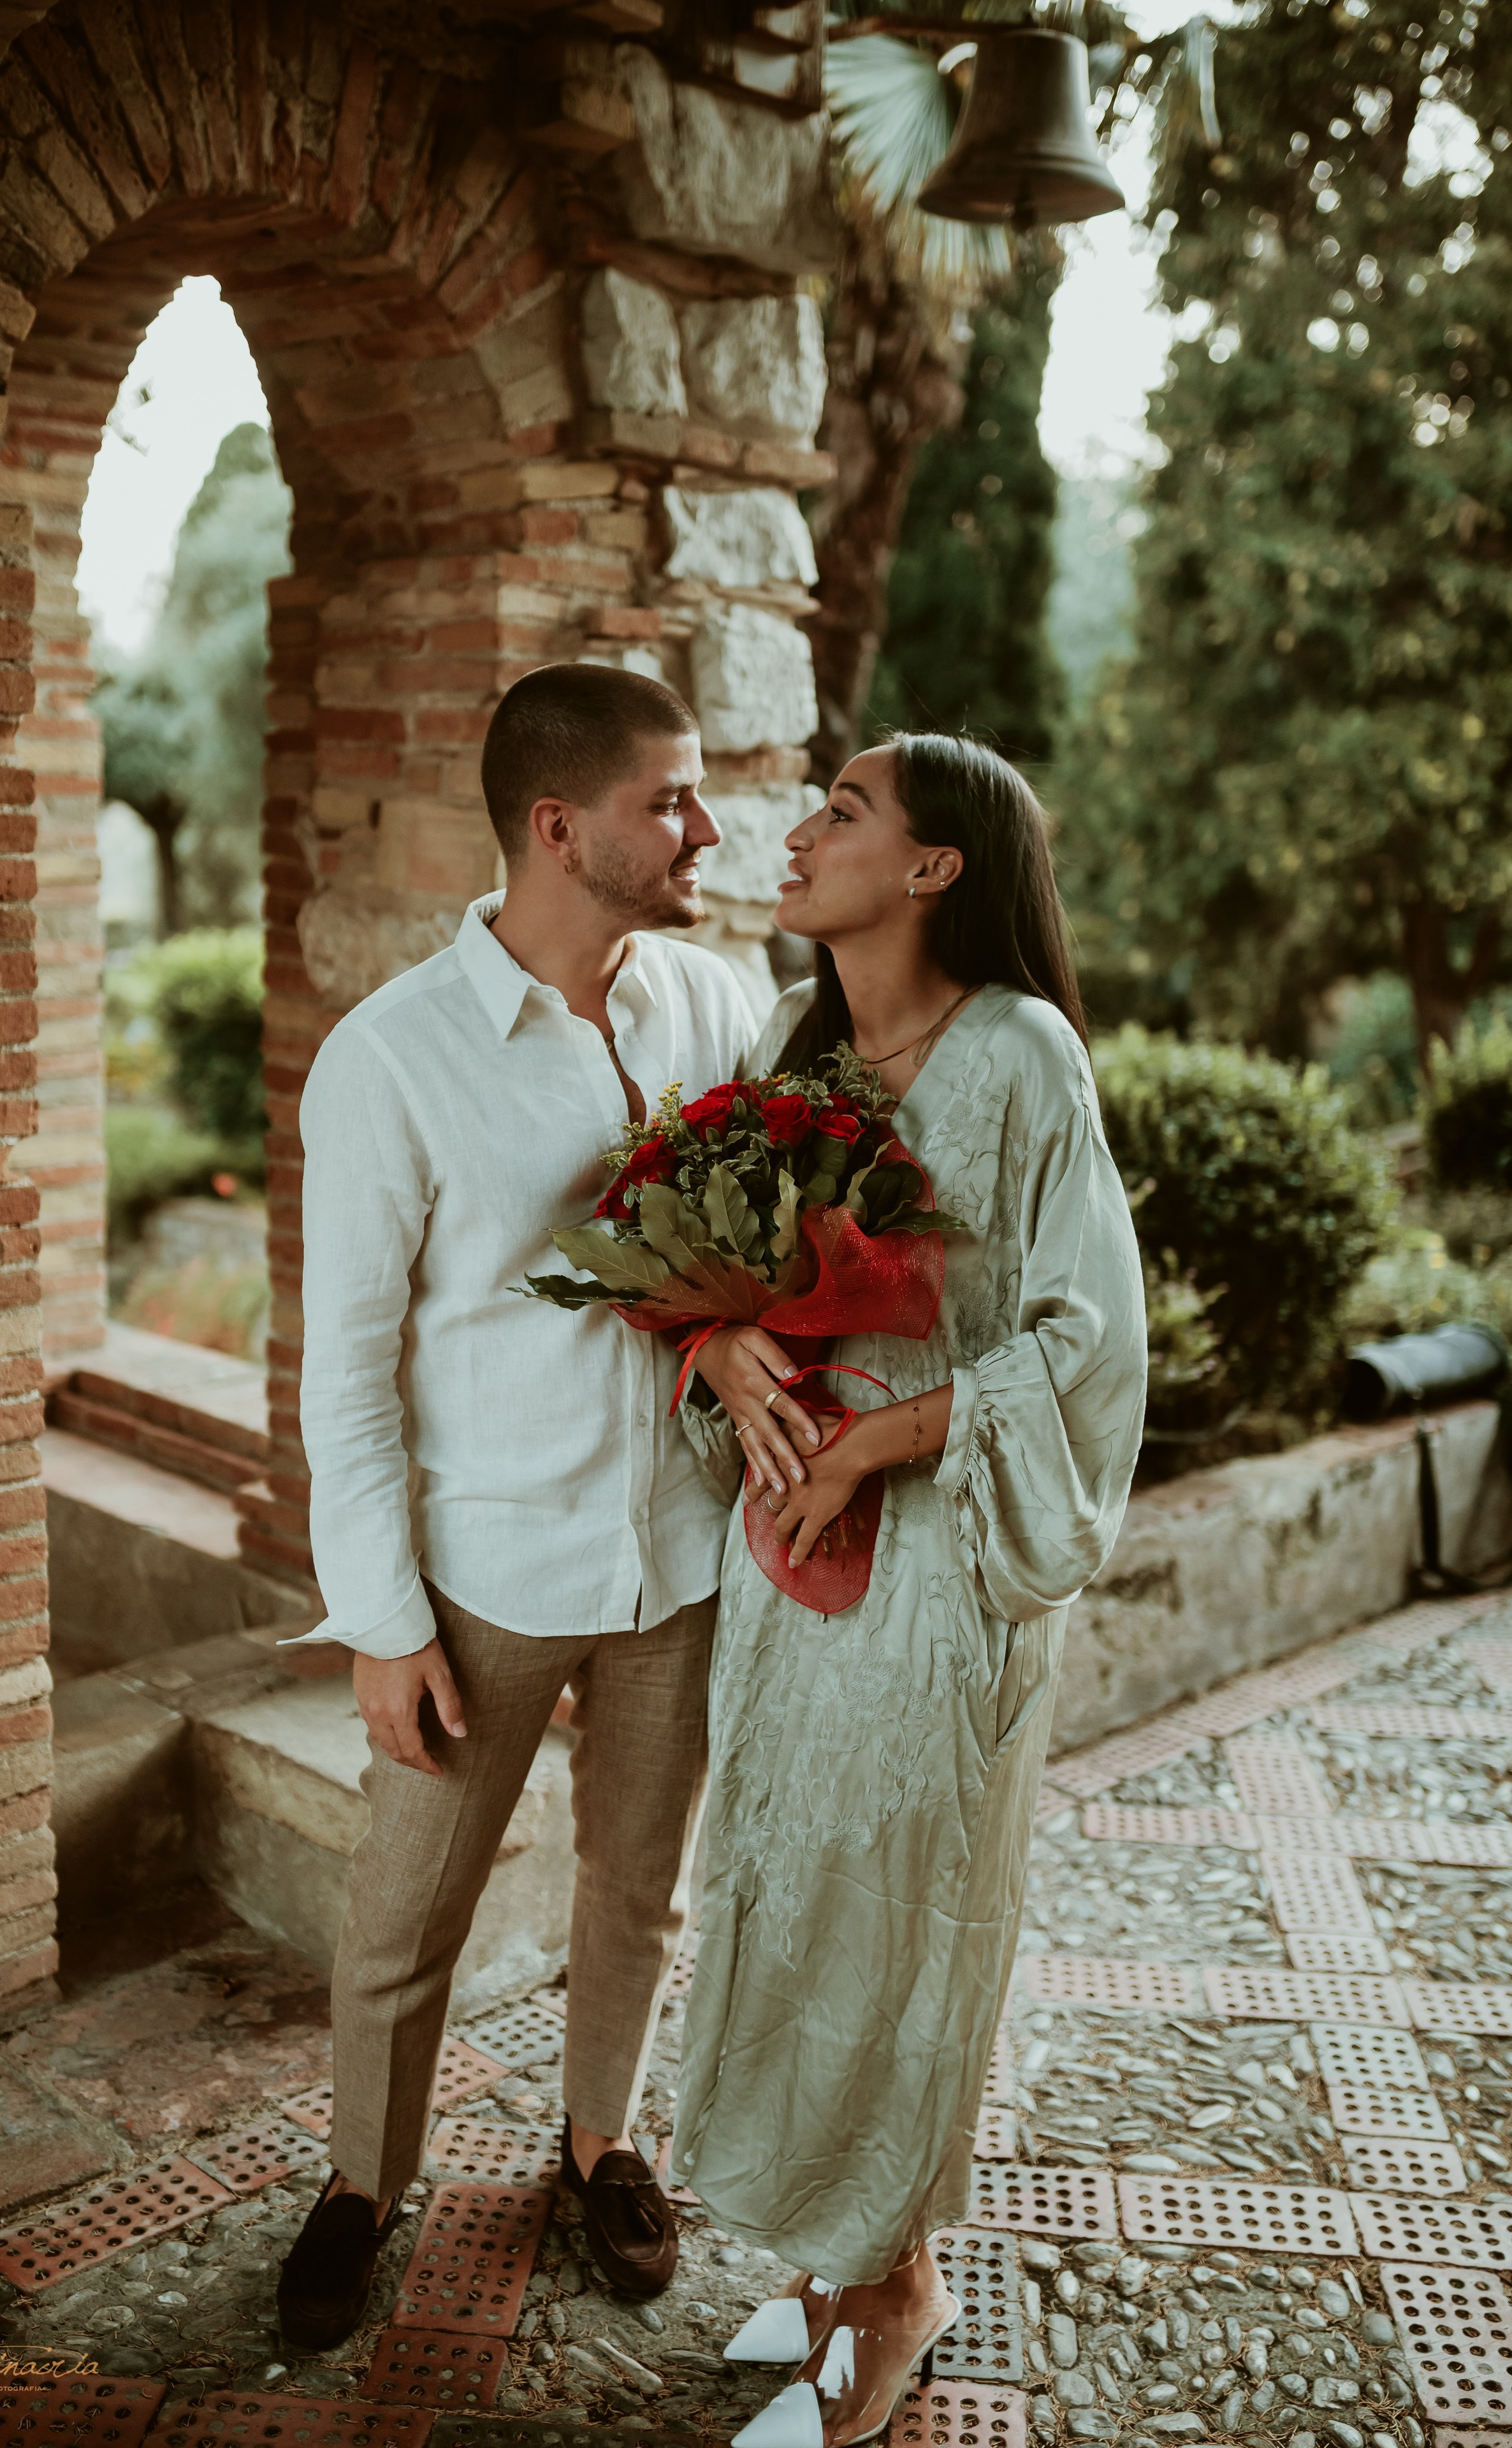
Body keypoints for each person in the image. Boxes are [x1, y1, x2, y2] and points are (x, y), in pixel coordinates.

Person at [275, 663, 759, 2351]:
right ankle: (362, 2182)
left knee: (645, 1887)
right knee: (404, 1916)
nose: (706, 827)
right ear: (559, 828)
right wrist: (384, 1625)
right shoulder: (391, 1062)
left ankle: (601, 2143)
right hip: (483, 1579)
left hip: (683, 1561)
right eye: (671, 800)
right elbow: (341, 1373)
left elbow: (753, 1256)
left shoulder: (716, 1003)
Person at [673, 734, 1149, 2448]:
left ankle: (896, 2287)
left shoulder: (1023, 1057)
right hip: (789, 1556)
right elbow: (709, 1276)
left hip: (941, 1559)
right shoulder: (793, 1046)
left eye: (844, 812)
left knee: (899, 1908)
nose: (797, 834)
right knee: (785, 1887)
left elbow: (1085, 1339)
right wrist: (722, 1347)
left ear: (937, 867)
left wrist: (885, 1446)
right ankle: (820, 2248)